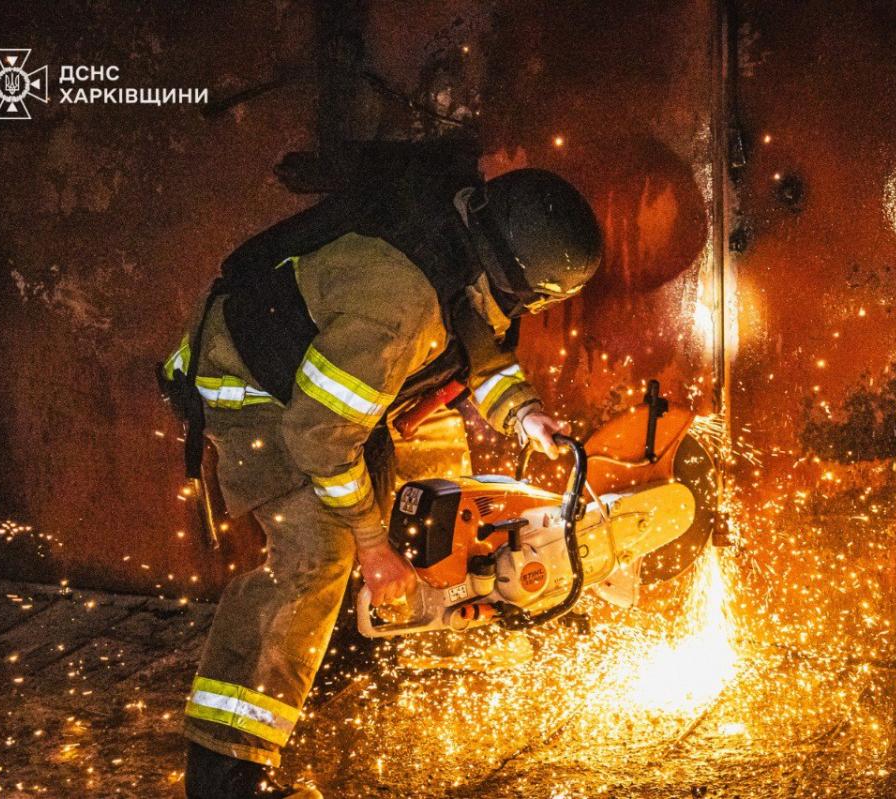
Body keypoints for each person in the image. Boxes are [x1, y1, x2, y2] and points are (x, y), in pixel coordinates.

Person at [159, 167, 602, 798]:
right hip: (250, 392)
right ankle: (228, 771)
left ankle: (338, 660)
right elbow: (316, 437)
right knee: (317, 553)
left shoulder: (461, 245)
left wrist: (523, 411)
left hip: (321, 395)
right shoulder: (399, 307)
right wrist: (372, 545)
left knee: (417, 483)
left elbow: (474, 339)